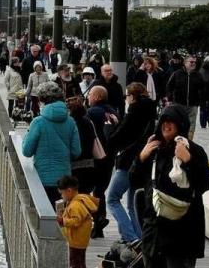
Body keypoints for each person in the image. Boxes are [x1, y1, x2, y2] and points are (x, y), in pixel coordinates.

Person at [128, 104, 209, 268]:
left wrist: (188, 162)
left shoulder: (192, 150)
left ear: (181, 125)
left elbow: (205, 182)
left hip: (183, 225)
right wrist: (141, 157)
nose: (166, 125)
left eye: (171, 122)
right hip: (153, 225)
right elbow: (133, 179)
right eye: (163, 121)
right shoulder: (154, 149)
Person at [105, 82, 157, 244]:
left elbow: (117, 138)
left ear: (132, 96)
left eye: (127, 96)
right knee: (133, 204)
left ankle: (131, 237)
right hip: (144, 162)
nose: (126, 99)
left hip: (129, 161)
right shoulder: (150, 111)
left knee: (112, 198)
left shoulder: (134, 111)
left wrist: (109, 128)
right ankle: (140, 240)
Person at [22, 82, 81, 205]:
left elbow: (27, 151)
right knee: (63, 217)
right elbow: (76, 151)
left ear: (42, 101)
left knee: (44, 217)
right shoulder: (71, 121)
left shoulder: (38, 122)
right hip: (65, 181)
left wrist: (28, 132)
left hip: (43, 180)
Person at [56, 175, 99, 268]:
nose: (61, 196)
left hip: (75, 239)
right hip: (81, 239)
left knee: (74, 262)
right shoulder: (81, 199)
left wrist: (62, 221)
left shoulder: (75, 205)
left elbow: (76, 221)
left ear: (69, 191)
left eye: (62, 193)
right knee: (80, 261)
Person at [86, 85, 118, 238]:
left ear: (97, 97)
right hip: (110, 157)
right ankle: (99, 221)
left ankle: (97, 218)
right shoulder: (113, 112)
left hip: (97, 156)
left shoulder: (92, 113)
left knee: (88, 189)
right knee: (100, 190)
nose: (88, 97)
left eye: (90, 94)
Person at [165, 56, 204, 139]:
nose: (193, 64)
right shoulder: (177, 74)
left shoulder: (198, 75)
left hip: (193, 105)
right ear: (185, 63)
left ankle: (188, 143)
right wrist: (169, 99)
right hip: (179, 104)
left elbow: (203, 89)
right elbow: (169, 87)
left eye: (194, 62)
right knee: (179, 124)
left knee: (191, 125)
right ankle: (177, 141)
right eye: (191, 62)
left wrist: (199, 101)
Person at [66, 96, 97, 195]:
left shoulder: (70, 123)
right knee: (85, 197)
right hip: (89, 166)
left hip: (74, 167)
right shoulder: (88, 122)